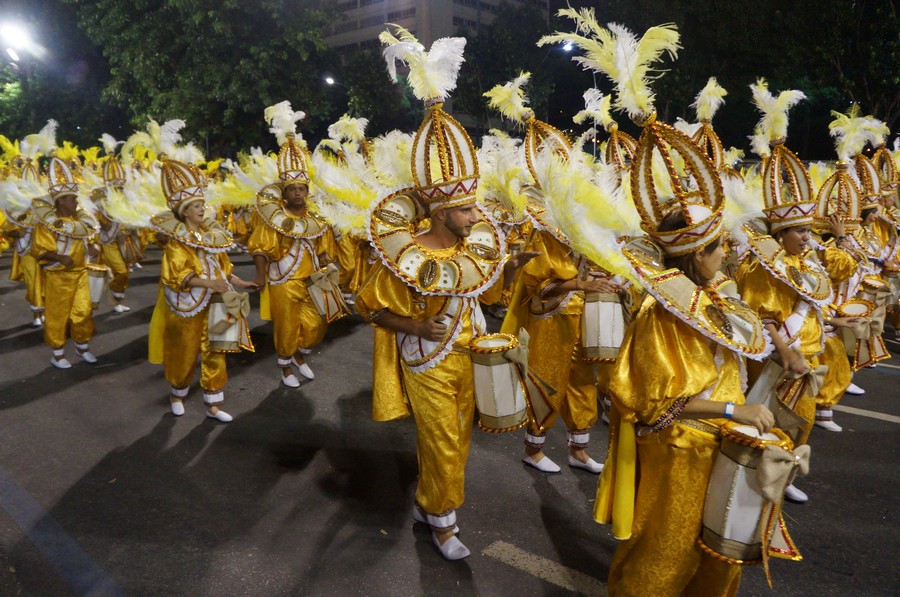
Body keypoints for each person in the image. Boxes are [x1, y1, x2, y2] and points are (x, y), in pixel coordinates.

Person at [356, 27, 537, 561]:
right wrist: (413, 325)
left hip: (469, 352)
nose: (476, 215)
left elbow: (483, 292)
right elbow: (368, 307)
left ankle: (429, 503)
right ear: (439, 212)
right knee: (442, 440)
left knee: (458, 437)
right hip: (426, 357)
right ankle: (443, 522)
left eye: (474, 206)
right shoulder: (405, 254)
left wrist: (511, 270)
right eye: (465, 209)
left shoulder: (473, 245)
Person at [149, 157, 257, 422]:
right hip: (188, 303)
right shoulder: (177, 242)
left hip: (218, 299)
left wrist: (240, 282)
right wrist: (210, 284)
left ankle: (213, 405)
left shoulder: (212, 236)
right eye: (196, 206)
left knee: (217, 349)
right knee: (184, 351)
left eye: (201, 204)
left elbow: (221, 268)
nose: (202, 209)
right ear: (185, 211)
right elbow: (177, 276)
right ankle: (177, 395)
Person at [249, 125, 340, 387]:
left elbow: (324, 249)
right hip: (284, 280)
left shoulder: (317, 218)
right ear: (284, 193)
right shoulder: (273, 218)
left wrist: (329, 269)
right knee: (287, 327)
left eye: (302, 188)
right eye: (292, 189)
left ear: (307, 191)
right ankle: (286, 367)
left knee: (316, 324)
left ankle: (299, 355)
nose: (298, 192)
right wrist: (260, 276)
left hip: (312, 280)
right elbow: (261, 248)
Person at [31, 157, 100, 368]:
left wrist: (93, 248)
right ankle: (58, 353)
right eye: (71, 199)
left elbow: (89, 241)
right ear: (61, 201)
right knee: (57, 315)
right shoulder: (46, 225)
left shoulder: (80, 222)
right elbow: (39, 252)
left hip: (80, 273)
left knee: (83, 311)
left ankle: (82, 347)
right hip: (58, 276)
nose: (76, 202)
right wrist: (60, 257)